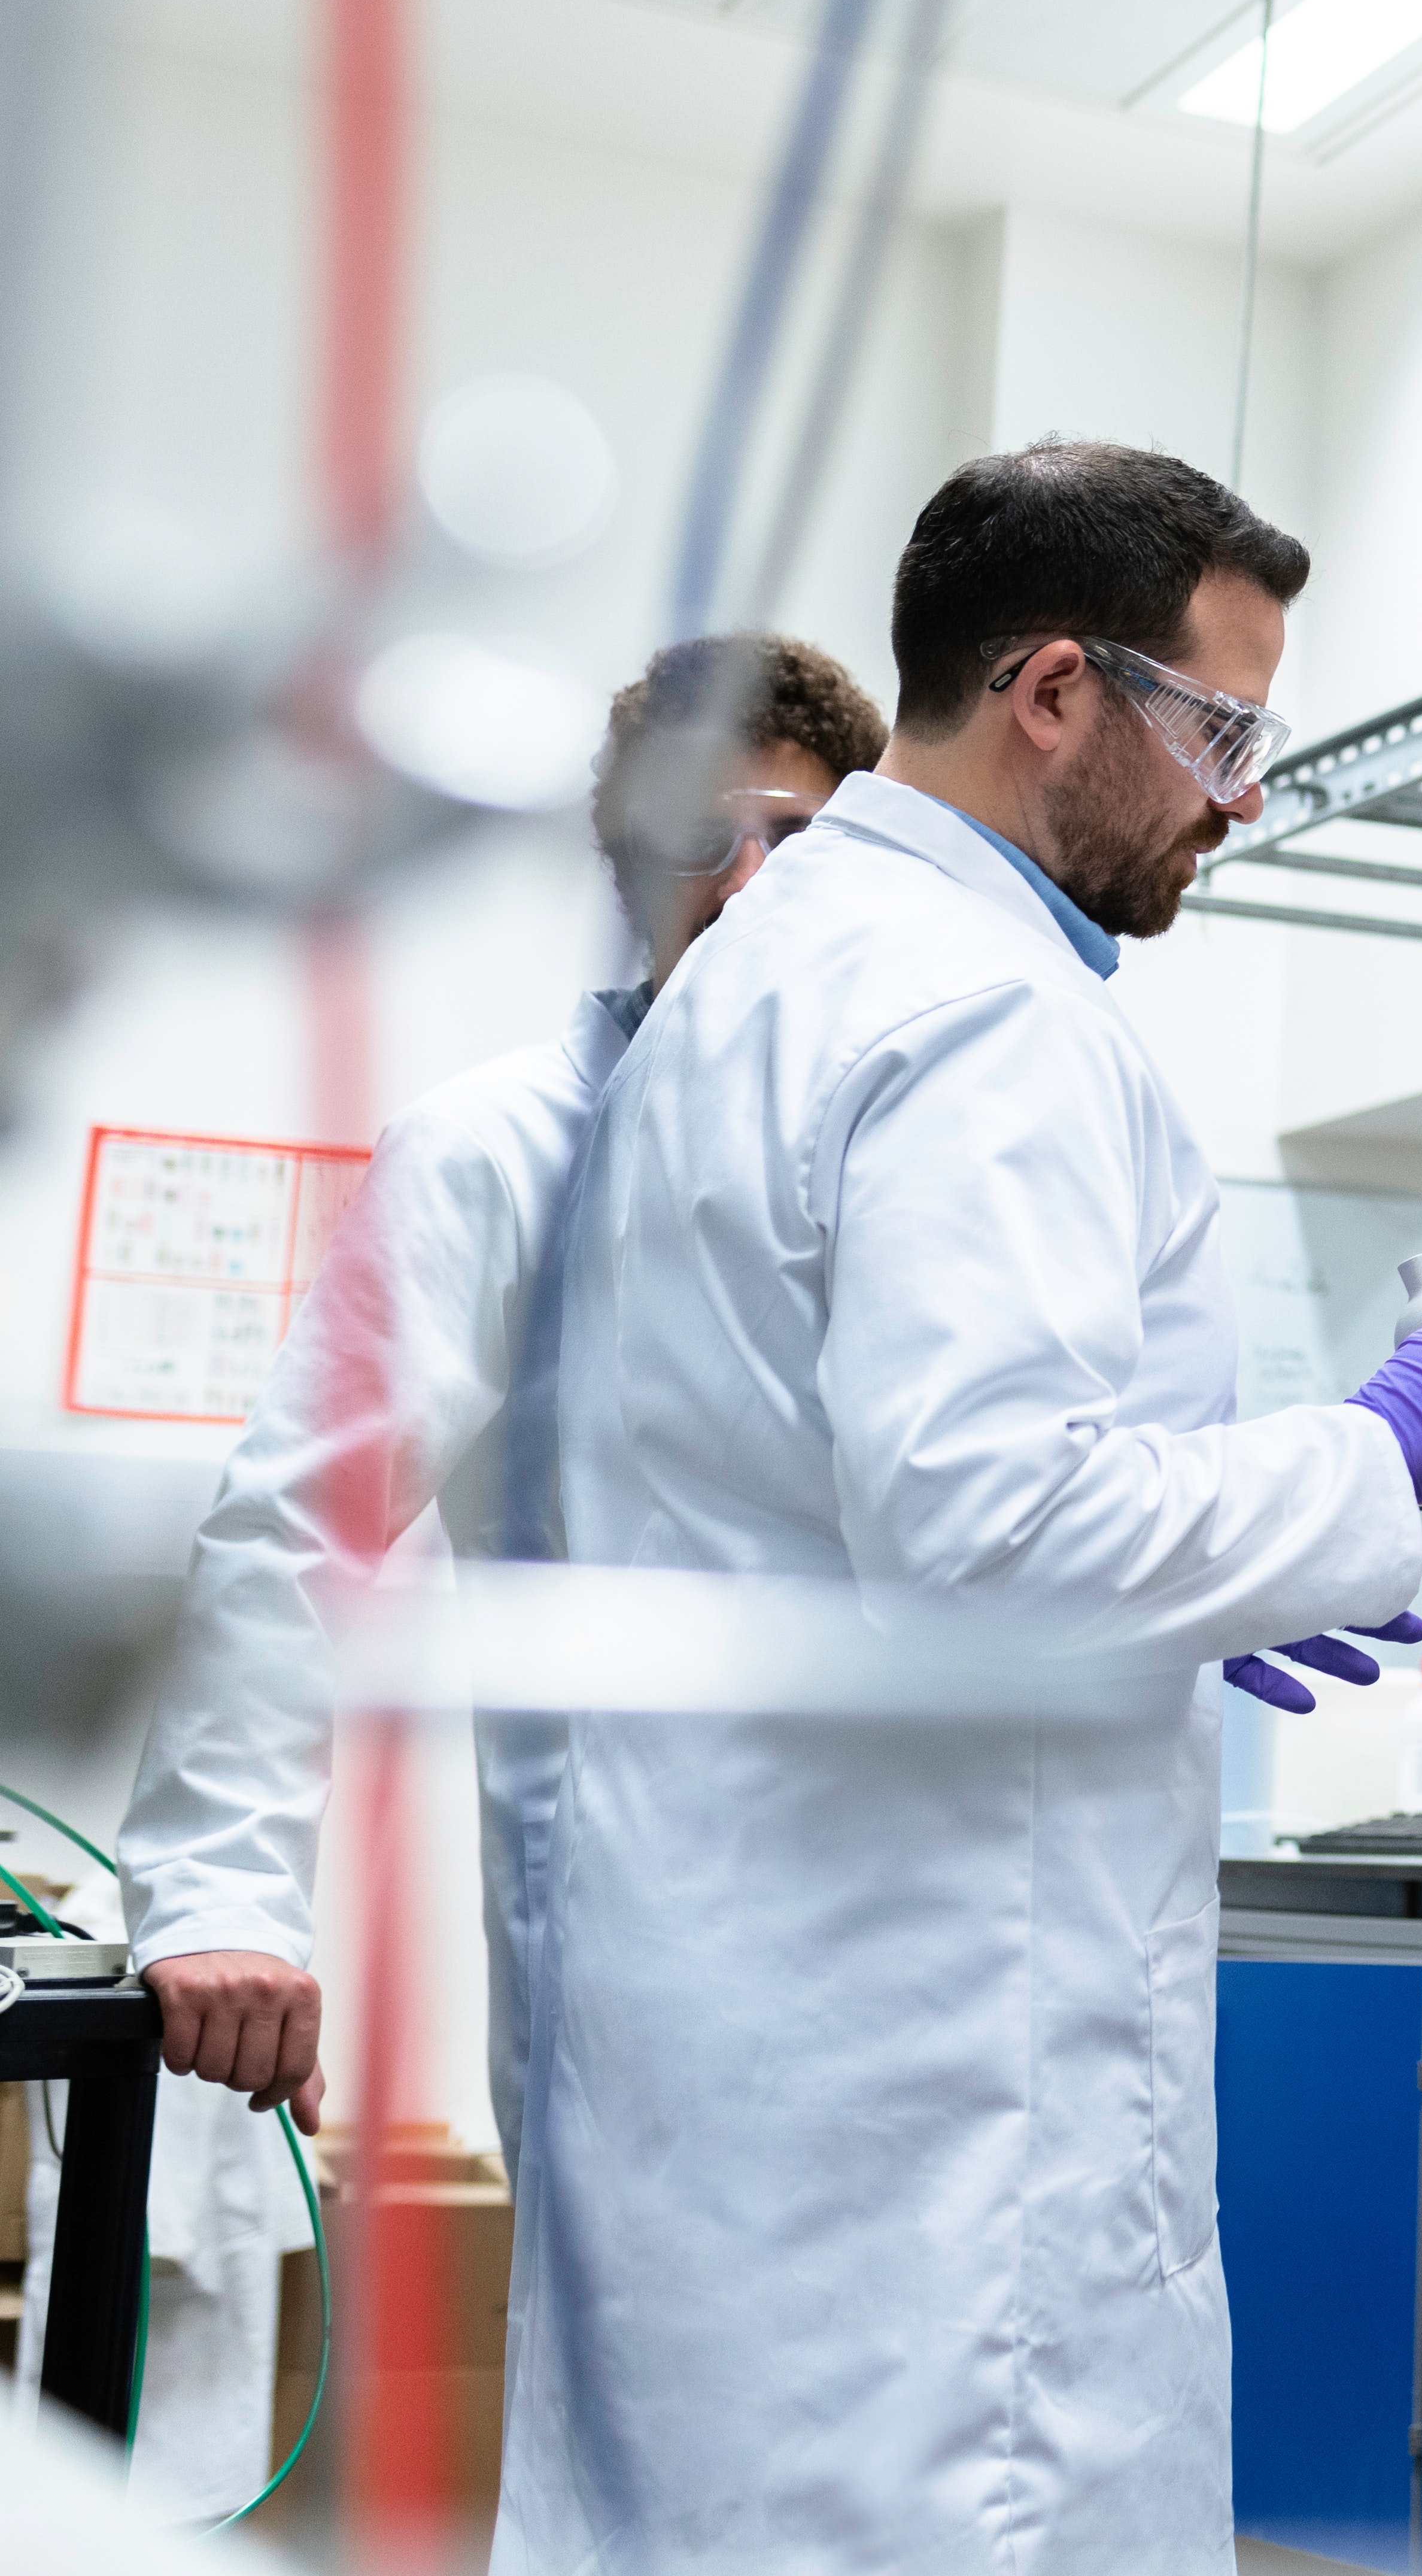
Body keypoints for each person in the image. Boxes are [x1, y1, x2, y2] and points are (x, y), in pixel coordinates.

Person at [496, 442, 1422, 2572]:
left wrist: (1214, 1560)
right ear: (1057, 694)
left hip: (748, 2015)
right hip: (928, 2075)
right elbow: (992, 1534)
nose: (1242, 797)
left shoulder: (768, 974)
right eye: (1222, 729)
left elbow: (846, 1486)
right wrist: (1380, 1448)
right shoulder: (981, 1010)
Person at [101, 630, 883, 2524]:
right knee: (658, 2475)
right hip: (642, 1951)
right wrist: (222, 1892)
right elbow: (306, 1524)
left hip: (920, 1952)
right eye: (711, 834)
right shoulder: (499, 1153)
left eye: (813, 842)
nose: (761, 882)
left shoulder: (912, 1163)